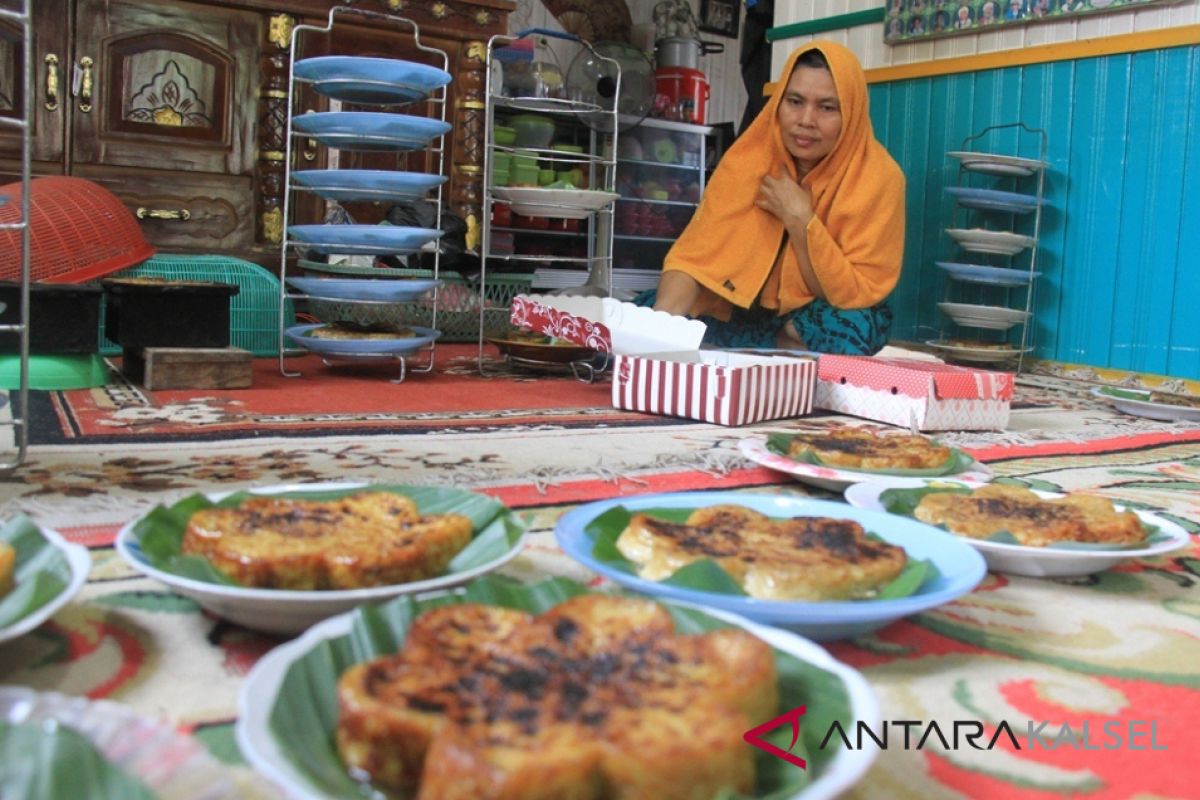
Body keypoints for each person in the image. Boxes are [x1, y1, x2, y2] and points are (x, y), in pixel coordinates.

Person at [647, 41, 905, 355]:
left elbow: (847, 293)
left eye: (827, 107)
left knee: (850, 325)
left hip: (823, 310)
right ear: (778, 103)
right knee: (645, 309)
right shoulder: (747, 161)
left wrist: (800, 220)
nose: (806, 120)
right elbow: (694, 260)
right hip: (744, 308)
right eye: (795, 101)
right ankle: (767, 349)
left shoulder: (878, 178)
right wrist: (659, 331)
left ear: (851, 112)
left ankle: (749, 349)